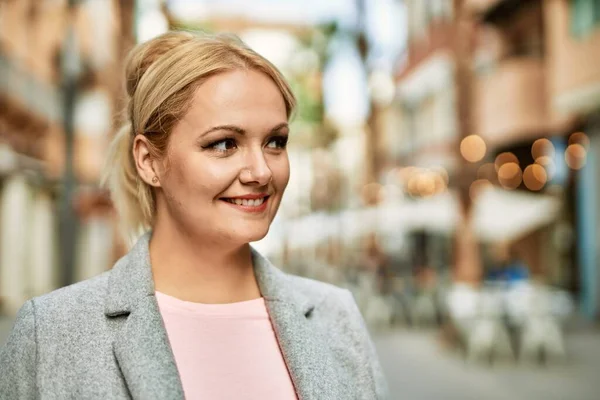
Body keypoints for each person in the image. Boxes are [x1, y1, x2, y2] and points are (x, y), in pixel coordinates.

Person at [0, 31, 387, 399]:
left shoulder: (337, 317)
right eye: (224, 144)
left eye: (275, 142)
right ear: (149, 161)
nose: (261, 171)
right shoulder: (51, 332)